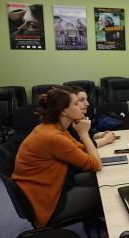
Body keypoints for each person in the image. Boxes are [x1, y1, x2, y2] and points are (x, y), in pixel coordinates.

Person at [12, 86, 103, 227]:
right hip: (46, 202)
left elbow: (83, 151)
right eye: (76, 103)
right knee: (107, 194)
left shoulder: (54, 127)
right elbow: (95, 164)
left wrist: (83, 137)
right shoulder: (54, 136)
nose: (81, 106)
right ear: (64, 111)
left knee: (98, 180)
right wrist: (84, 134)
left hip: (49, 187)